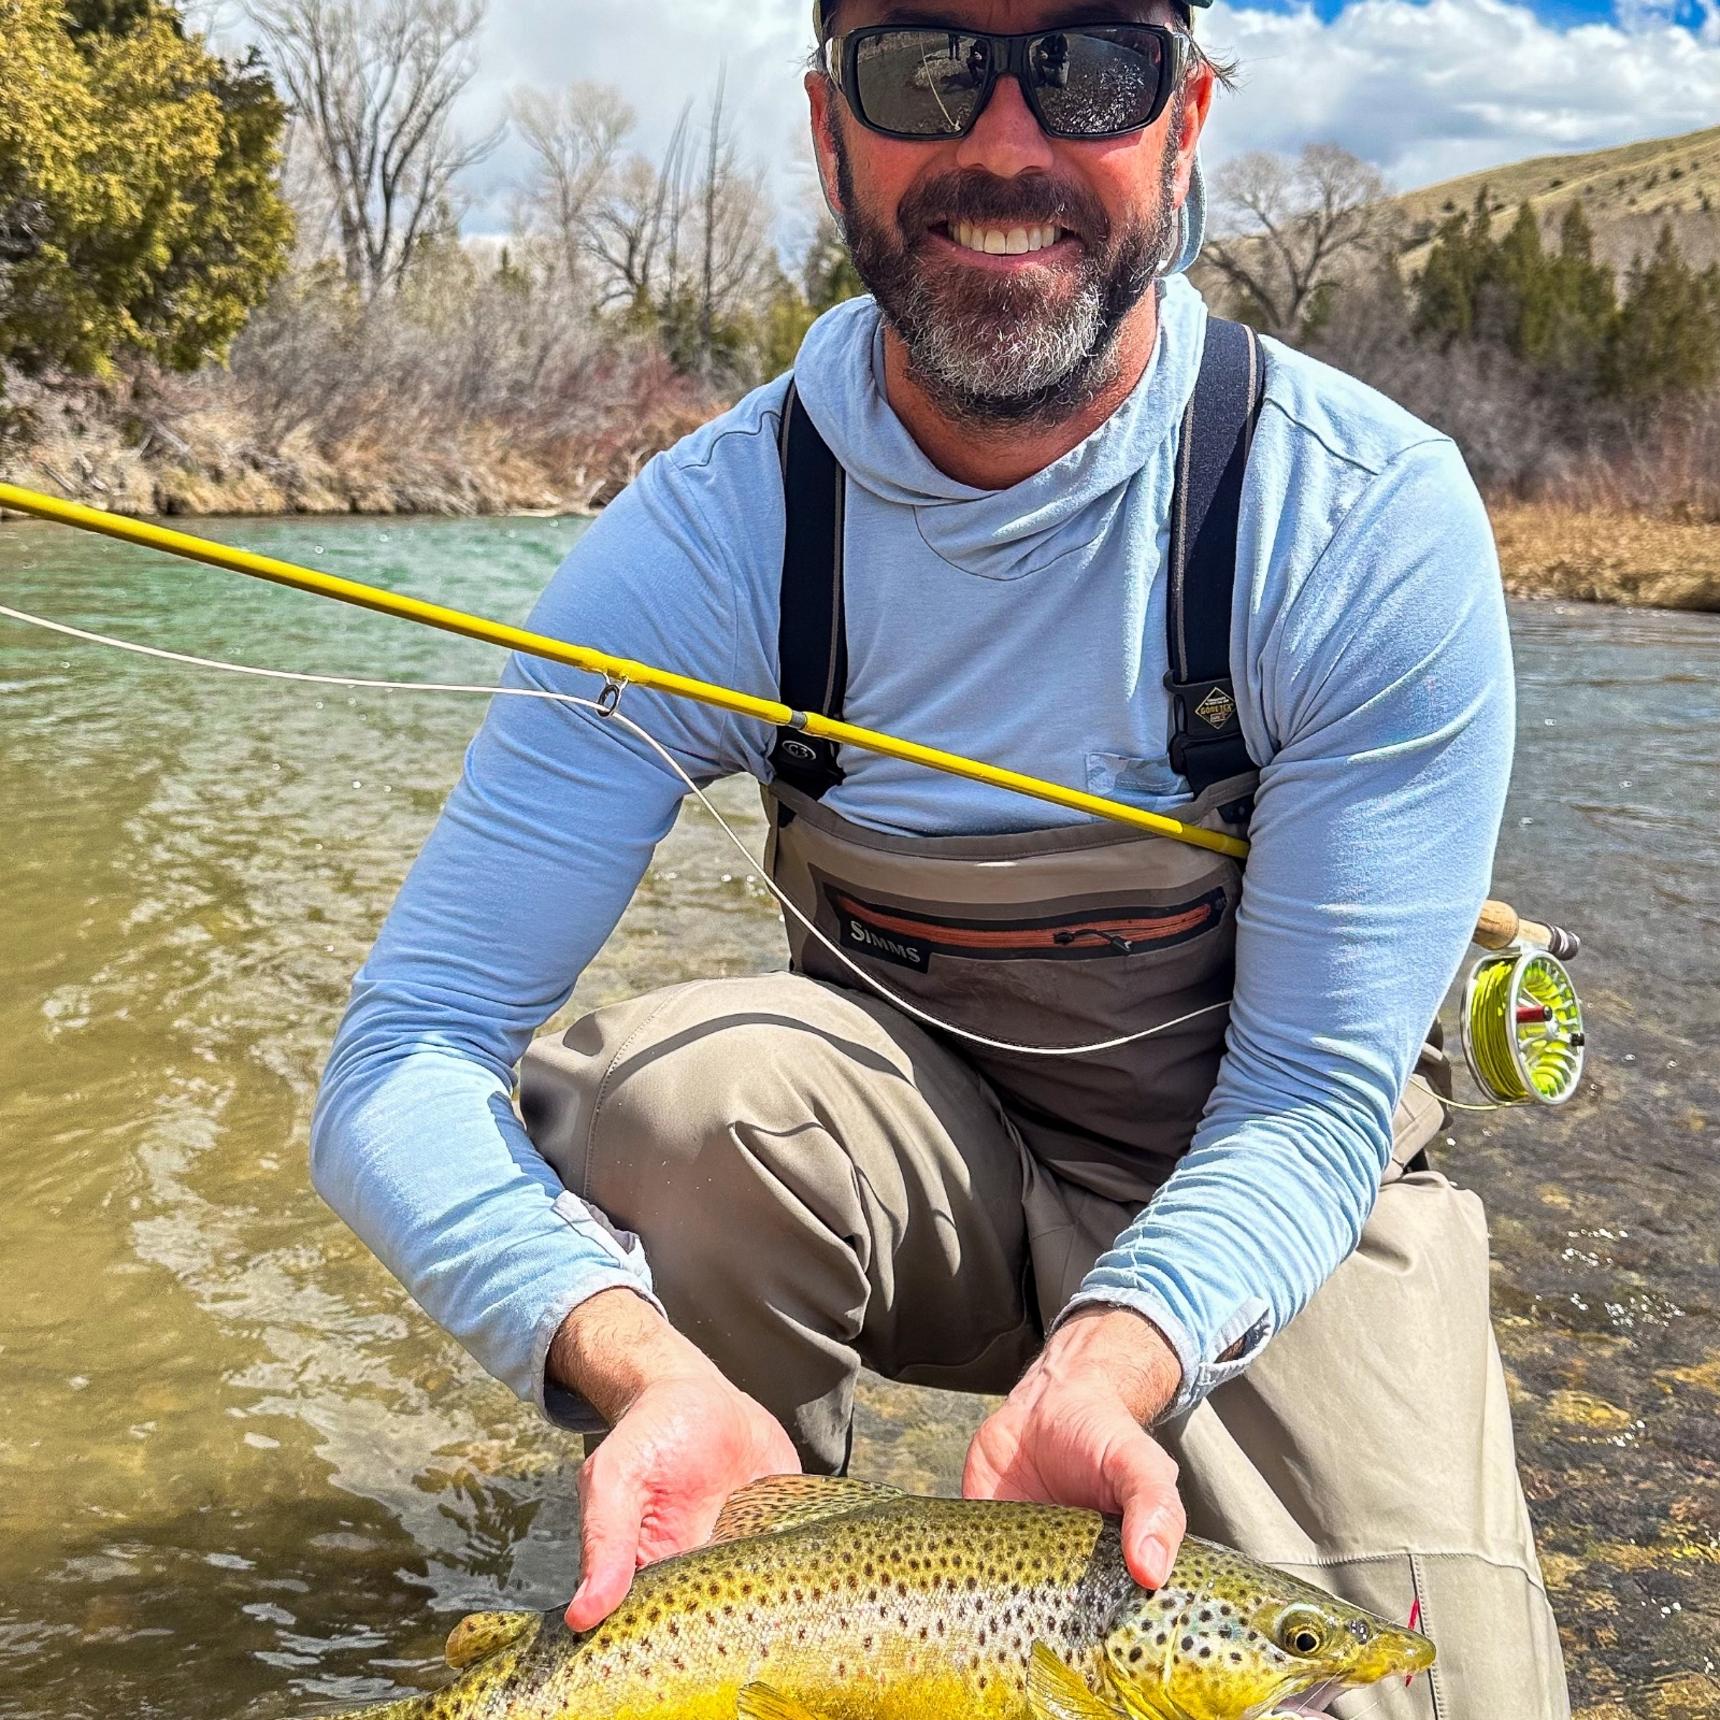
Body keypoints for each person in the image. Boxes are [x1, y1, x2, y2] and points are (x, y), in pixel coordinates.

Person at [311, 1, 1571, 1713]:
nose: (1002, 140)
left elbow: (1317, 1097)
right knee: (678, 1104)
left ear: (1184, 118)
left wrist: (1123, 1350)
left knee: (1408, 1690)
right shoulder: (709, 535)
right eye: (924, 64)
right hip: (918, 1187)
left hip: (1269, 1186)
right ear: (829, 129)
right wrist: (623, 1359)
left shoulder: (1357, 520)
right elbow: (401, 1056)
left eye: (1090, 67)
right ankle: (712, 1559)